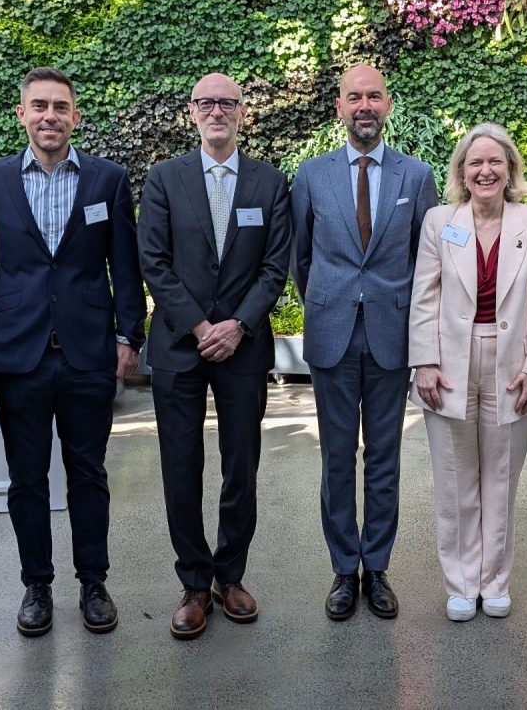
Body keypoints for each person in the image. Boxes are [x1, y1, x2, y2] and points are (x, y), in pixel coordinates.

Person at [0, 67, 145, 638]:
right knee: (26, 478)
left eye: (60, 107)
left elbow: (126, 266)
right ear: (22, 114)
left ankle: (94, 582)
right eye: (39, 106)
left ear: (75, 117)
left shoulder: (107, 181)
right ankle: (36, 586)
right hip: (19, 356)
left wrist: (128, 336)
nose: (49, 116)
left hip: (89, 354)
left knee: (88, 473)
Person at [138, 73, 291, 639]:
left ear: (243, 113)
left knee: (240, 466)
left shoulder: (270, 184)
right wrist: (202, 325)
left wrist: (238, 324)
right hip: (180, 345)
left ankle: (230, 576)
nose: (217, 111)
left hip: (243, 346)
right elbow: (152, 260)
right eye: (207, 103)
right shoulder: (163, 179)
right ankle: (194, 582)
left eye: (228, 103)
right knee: (181, 466)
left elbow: (276, 266)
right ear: (192, 113)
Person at [291, 64, 438, 620]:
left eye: (374, 96)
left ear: (388, 104)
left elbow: (427, 261)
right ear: (340, 107)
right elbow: (300, 258)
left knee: (384, 458)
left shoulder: (414, 176)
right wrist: (328, 299)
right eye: (354, 97)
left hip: (389, 338)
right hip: (332, 335)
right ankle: (341, 569)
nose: (364, 105)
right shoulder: (311, 175)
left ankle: (376, 568)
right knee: (335, 458)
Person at [408, 123, 527, 622]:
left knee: (500, 478)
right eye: (475, 163)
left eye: (495, 162)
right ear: (462, 172)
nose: (485, 170)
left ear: (510, 169)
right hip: (448, 363)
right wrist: (424, 361)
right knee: (453, 478)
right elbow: (424, 296)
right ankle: (460, 583)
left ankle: (494, 582)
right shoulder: (438, 221)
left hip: (513, 363)